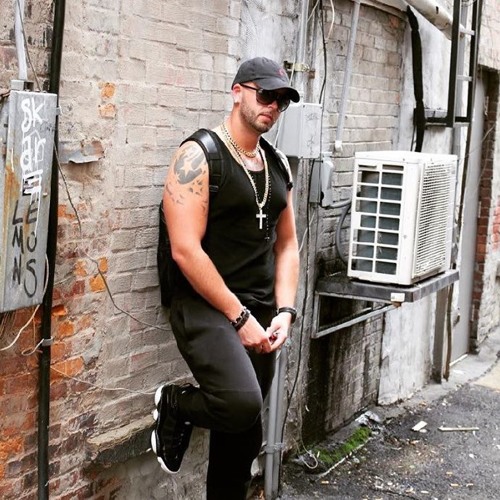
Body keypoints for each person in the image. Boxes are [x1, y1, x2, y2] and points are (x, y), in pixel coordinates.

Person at [151, 56, 300, 499]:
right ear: (237, 92)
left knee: (242, 442)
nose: (273, 106)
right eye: (266, 94)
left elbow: (287, 245)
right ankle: (175, 404)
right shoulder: (199, 155)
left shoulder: (277, 165)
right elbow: (184, 250)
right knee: (240, 403)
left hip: (261, 311)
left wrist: (286, 311)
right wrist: (238, 317)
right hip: (204, 307)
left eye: (281, 101)